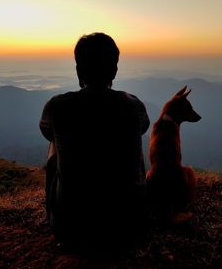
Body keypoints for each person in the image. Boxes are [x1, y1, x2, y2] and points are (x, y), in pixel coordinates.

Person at [39, 33, 150, 250]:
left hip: (72, 230)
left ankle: (56, 211)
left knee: (54, 144)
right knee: (133, 143)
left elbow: (47, 133)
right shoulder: (134, 106)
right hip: (129, 229)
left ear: (79, 70)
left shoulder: (57, 106)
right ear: (115, 70)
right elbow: (143, 128)